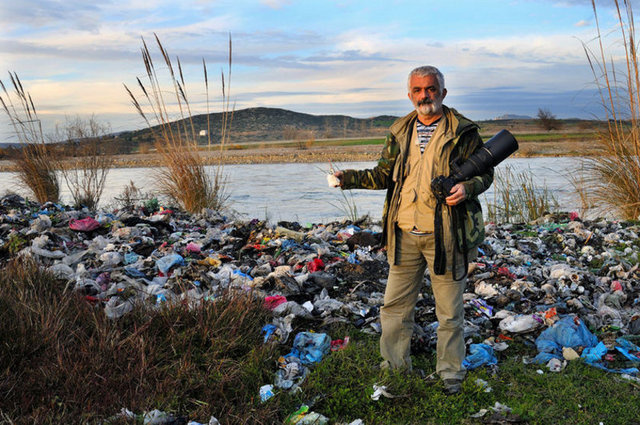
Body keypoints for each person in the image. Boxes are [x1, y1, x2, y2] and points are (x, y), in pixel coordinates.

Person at [332, 65, 493, 395]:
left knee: (449, 313)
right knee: (393, 309)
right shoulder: (399, 132)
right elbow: (382, 176)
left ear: (443, 93)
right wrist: (346, 178)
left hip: (447, 237)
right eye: (418, 90)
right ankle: (394, 369)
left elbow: (486, 173)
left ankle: (450, 375)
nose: (425, 96)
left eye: (431, 89)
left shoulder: (463, 132)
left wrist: (467, 189)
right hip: (403, 234)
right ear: (409, 95)